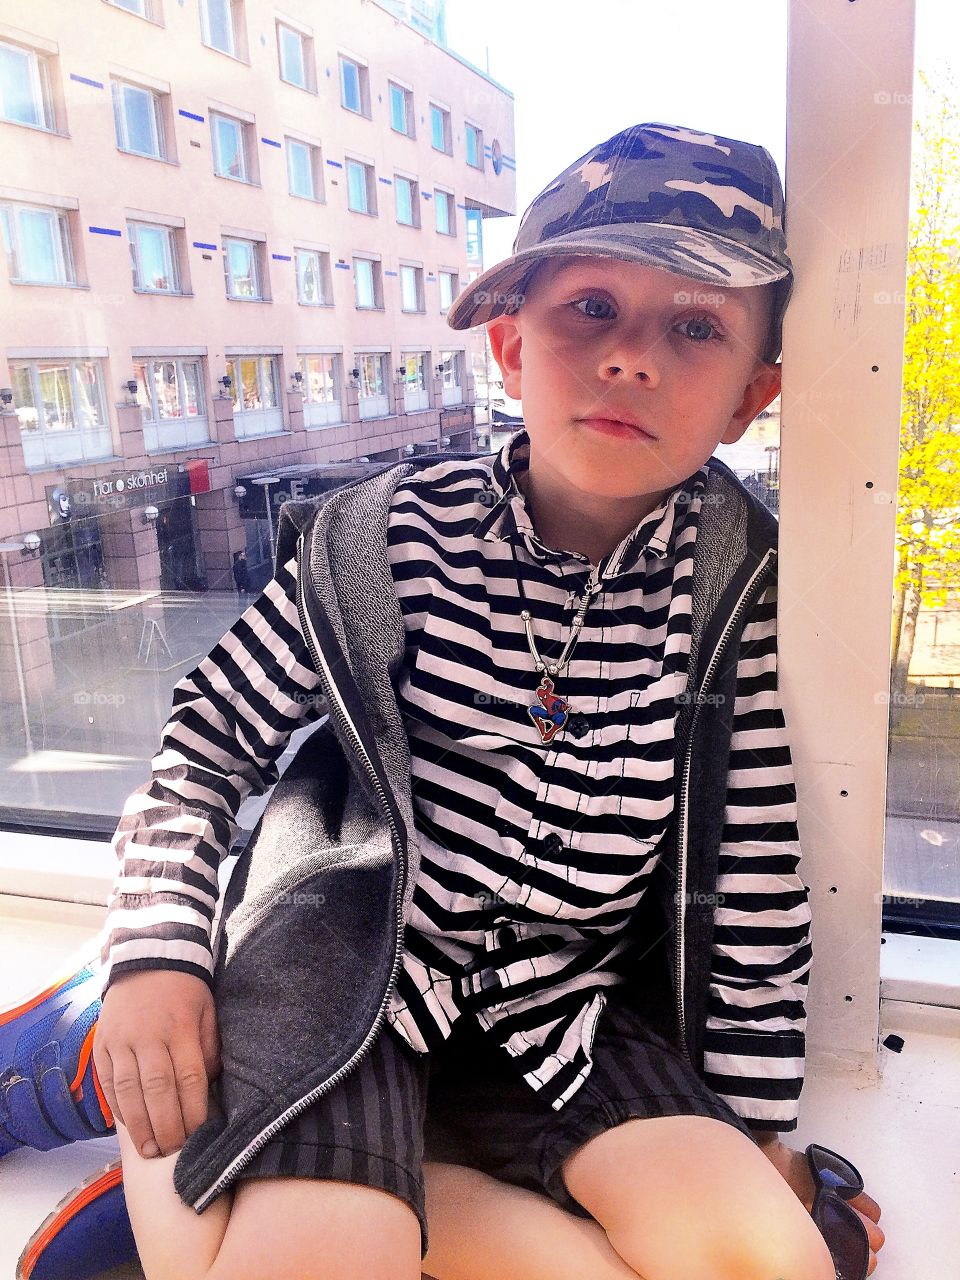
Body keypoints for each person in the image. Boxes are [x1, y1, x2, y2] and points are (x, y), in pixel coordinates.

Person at [8, 123, 886, 1280]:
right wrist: (159, 952)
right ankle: (140, 1078)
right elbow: (206, 745)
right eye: (590, 309)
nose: (633, 357)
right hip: (349, 969)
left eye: (695, 326)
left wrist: (748, 1123)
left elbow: (755, 860)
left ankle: (226, 1176)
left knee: (775, 1263)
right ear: (513, 349)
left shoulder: (744, 581)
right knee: (321, 1260)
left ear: (749, 397)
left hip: (557, 998)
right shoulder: (386, 540)